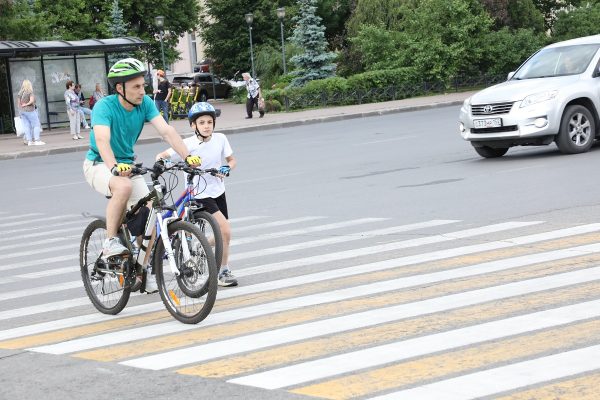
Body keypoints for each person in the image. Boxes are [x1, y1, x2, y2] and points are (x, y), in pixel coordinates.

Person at [82, 58, 201, 293]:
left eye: (142, 86)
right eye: (136, 87)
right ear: (120, 88)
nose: (142, 91)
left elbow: (166, 130)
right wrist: (114, 167)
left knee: (151, 214)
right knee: (123, 188)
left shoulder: (145, 103)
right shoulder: (104, 107)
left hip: (128, 165)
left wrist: (187, 157)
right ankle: (110, 242)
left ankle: (140, 270)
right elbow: (103, 140)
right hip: (99, 163)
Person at [155, 102, 238, 287]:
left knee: (225, 235)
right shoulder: (187, 144)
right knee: (225, 231)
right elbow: (161, 156)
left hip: (218, 191)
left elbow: (232, 160)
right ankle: (223, 270)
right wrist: (164, 163)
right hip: (199, 193)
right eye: (202, 122)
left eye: (210, 121)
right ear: (193, 125)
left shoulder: (221, 139)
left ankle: (201, 246)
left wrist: (227, 167)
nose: (207, 125)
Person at [17, 79, 45, 146]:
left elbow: (18, 104)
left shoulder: (20, 93)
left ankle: (29, 141)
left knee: (27, 126)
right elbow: (31, 101)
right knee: (36, 125)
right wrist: (26, 104)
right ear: (29, 84)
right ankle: (37, 140)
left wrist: (20, 109)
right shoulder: (30, 92)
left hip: (22, 111)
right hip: (30, 110)